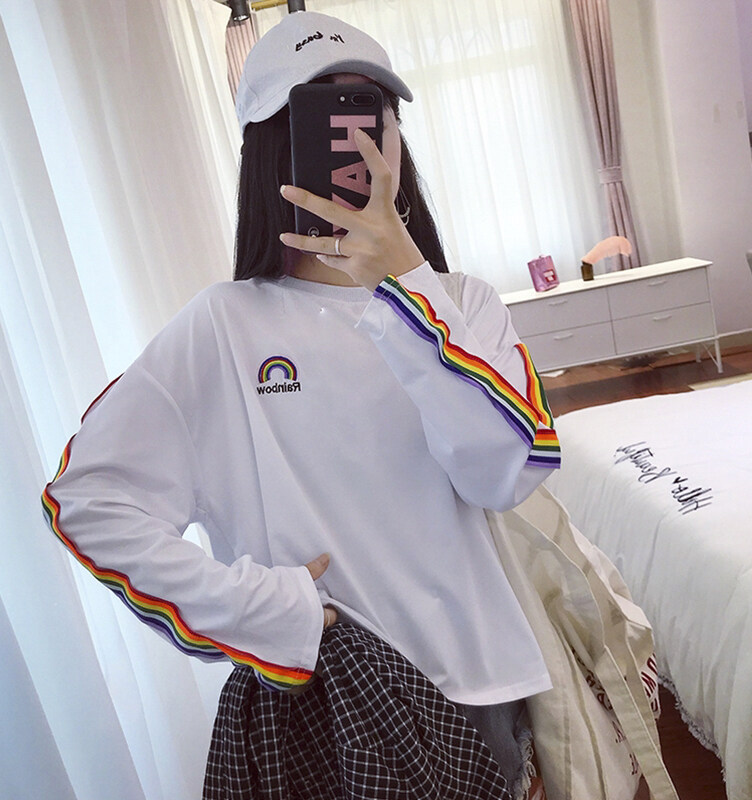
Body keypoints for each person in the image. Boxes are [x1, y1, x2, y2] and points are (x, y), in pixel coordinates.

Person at [42, 10, 561, 798]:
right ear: (272, 147)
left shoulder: (463, 302)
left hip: (477, 686)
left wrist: (406, 287)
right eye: (322, 117)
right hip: (321, 706)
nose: (355, 146)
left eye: (373, 115)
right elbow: (88, 501)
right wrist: (259, 608)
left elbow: (506, 471)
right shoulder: (223, 325)